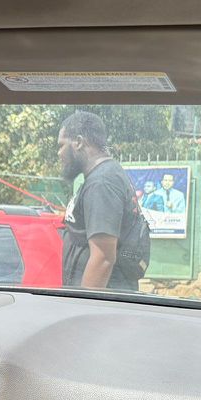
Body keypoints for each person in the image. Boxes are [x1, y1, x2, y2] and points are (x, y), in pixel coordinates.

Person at [57, 110, 151, 291]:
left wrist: (83, 303)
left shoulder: (102, 183)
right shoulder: (105, 175)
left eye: (62, 145)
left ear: (78, 142)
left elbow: (103, 258)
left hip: (101, 302)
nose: (59, 153)